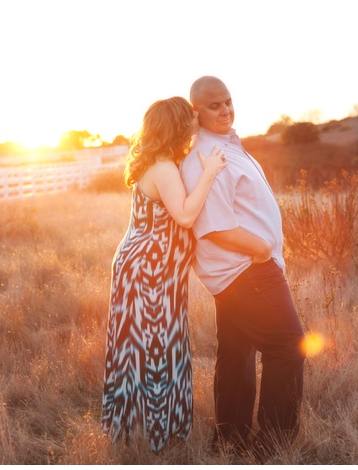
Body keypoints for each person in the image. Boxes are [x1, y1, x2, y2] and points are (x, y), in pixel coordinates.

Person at [180, 76, 306, 457]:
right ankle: (272, 446)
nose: (226, 110)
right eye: (215, 105)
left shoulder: (226, 145)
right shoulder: (204, 155)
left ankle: (229, 440)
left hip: (239, 271)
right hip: (246, 271)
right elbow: (215, 227)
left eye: (229, 101)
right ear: (196, 111)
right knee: (287, 346)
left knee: (236, 351)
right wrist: (262, 250)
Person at [102, 96, 227, 453]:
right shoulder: (163, 168)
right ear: (176, 126)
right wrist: (210, 172)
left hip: (153, 270)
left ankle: (144, 432)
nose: (195, 122)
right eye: (189, 119)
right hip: (149, 272)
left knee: (152, 346)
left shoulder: (165, 163)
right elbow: (185, 215)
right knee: (153, 349)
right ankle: (153, 438)